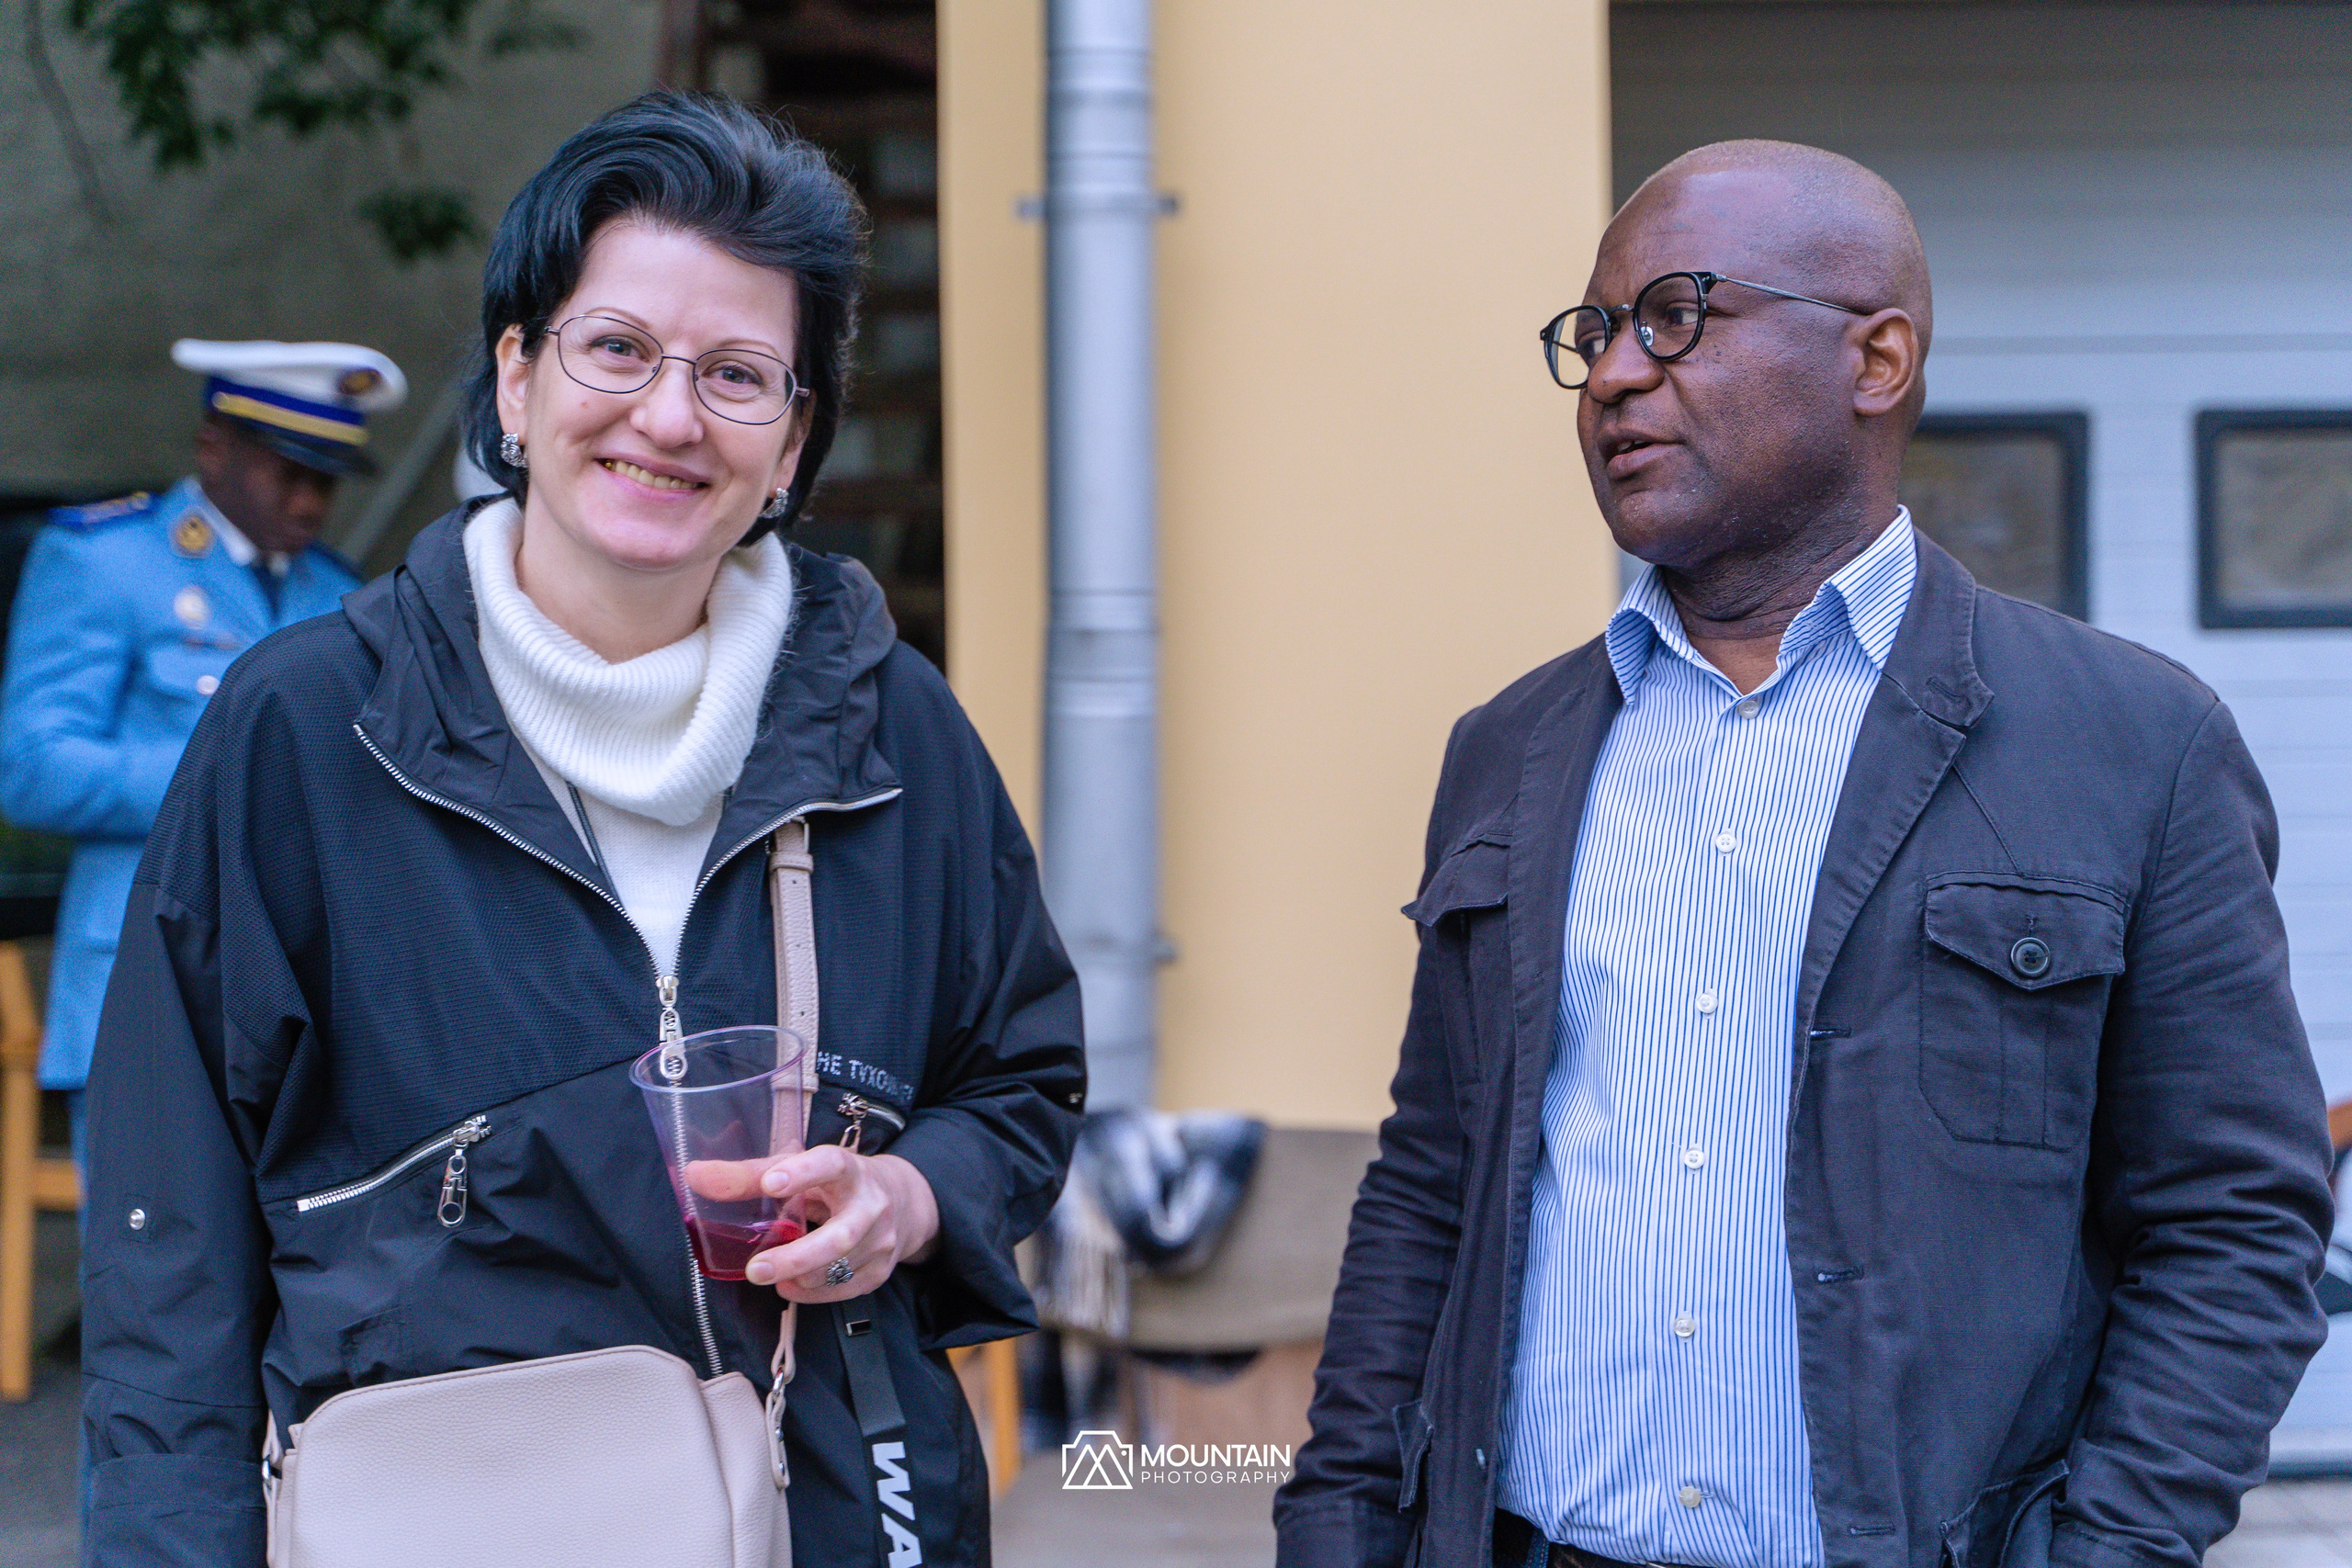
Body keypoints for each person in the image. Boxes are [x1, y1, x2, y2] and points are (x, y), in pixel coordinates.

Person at [1275, 140, 2330, 1568]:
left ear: (1877, 357)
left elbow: (2234, 1223)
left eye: (1675, 315)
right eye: (1594, 335)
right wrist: (1337, 1527)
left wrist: (2107, 1551)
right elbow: (1430, 1183)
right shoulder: (1508, 749)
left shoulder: (2136, 745)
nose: (1612, 378)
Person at [79, 93, 1083, 1566]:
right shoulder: (302, 733)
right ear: (515, 380)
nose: (669, 418)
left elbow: (1020, 1079)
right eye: (615, 348)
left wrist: (910, 1193)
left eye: (741, 375)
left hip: (837, 1508)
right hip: (441, 1518)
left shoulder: (892, 728)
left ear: (794, 445)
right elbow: (171, 1252)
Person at [0, 339, 399, 1159]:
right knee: (154, 1276)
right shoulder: (104, 559)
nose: (309, 501)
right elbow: (31, 767)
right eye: (288, 470)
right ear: (214, 449)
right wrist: (230, 783)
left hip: (308, 999)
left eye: (325, 478)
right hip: (145, 983)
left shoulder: (337, 587)